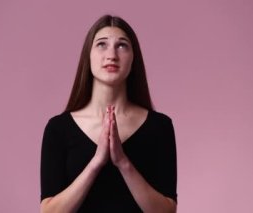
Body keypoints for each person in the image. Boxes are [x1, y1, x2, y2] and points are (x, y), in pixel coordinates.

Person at [40, 14, 177, 212]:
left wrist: (123, 162)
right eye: (102, 44)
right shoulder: (58, 128)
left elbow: (167, 210)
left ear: (133, 58)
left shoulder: (160, 126)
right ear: (88, 55)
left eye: (122, 45)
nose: (111, 54)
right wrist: (96, 163)